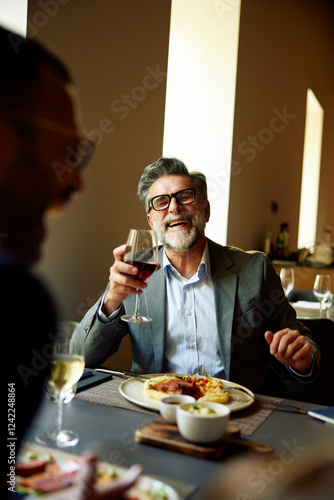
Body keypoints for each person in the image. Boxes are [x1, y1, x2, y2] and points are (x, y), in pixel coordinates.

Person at [2, 26, 142, 499]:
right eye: (67, 152)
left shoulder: (250, 268)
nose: (77, 184)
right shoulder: (16, 300)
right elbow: (84, 351)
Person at [75, 157, 320, 396]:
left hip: (237, 410)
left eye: (185, 196)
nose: (173, 207)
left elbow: (304, 344)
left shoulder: (255, 269)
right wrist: (111, 300)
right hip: (156, 407)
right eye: (160, 202)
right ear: (151, 221)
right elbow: (84, 356)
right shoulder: (133, 272)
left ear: (206, 209)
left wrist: (302, 357)